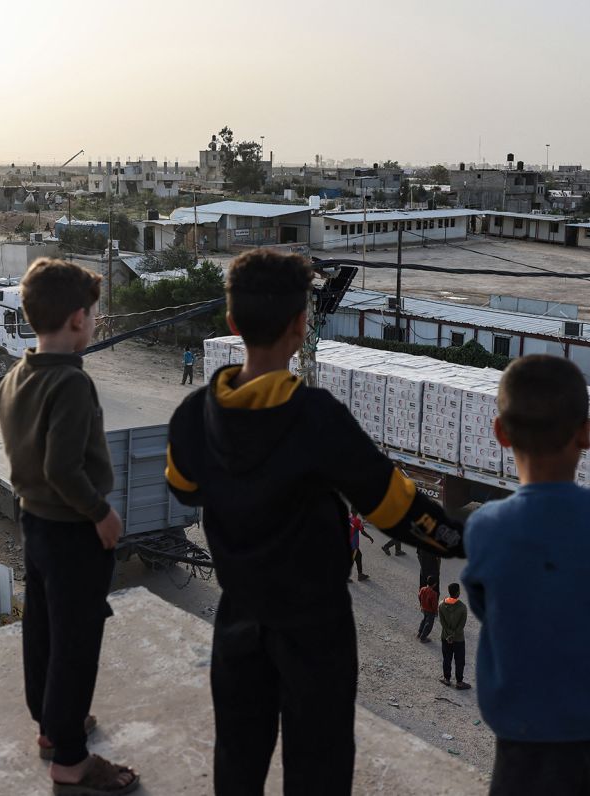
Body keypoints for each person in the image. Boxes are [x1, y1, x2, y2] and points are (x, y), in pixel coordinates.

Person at [163, 248, 464, 794]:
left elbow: (182, 488)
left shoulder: (191, 417)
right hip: (315, 628)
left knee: (237, 754)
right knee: (319, 763)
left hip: (238, 620)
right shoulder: (317, 419)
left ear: (232, 323)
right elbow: (397, 511)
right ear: (302, 326)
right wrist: (460, 537)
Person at [461, 354, 590, 796]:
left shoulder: (487, 527)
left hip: (528, 723)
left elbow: (486, 607)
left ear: (499, 433)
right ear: (586, 433)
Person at [0, 258, 138, 795]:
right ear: (78, 319)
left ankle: (52, 729)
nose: (97, 323)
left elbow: (32, 462)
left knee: (43, 631)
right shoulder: (72, 385)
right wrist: (101, 513)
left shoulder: (18, 374)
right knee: (76, 644)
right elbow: (62, 468)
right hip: (73, 529)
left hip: (36, 525)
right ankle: (71, 761)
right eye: (95, 315)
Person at [438, 582, 470, 690]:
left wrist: (448, 635)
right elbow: (461, 625)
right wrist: (453, 635)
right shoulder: (462, 607)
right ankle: (459, 682)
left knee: (447, 658)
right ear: (458, 593)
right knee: (459, 660)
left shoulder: (441, 605)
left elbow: (442, 622)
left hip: (445, 637)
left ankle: (447, 679)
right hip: (458, 639)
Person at [348, 510, 374, 582]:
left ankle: (360, 575)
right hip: (353, 545)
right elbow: (362, 531)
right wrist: (369, 537)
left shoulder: (348, 518)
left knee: (358, 556)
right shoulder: (357, 520)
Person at [417, 575, 438, 643]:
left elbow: (419, 596)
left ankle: (420, 633)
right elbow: (434, 605)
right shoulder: (433, 594)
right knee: (429, 624)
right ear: (434, 584)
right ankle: (423, 638)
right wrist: (435, 612)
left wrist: (421, 604)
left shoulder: (422, 589)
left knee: (424, 620)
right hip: (430, 611)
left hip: (424, 608)